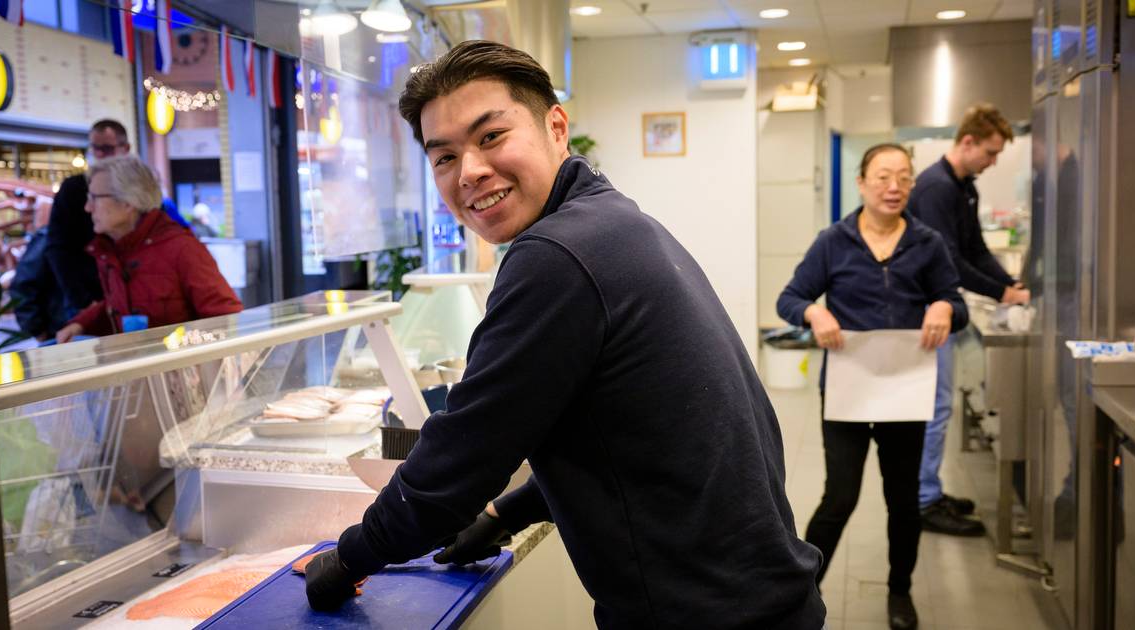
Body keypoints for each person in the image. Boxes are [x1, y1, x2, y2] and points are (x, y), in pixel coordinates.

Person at [304, 40, 826, 629]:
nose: (469, 170)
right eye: (443, 156)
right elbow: (631, 434)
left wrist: (345, 561)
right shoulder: (615, 221)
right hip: (766, 600)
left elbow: (452, 467)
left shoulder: (554, 256)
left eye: (491, 136)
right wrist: (506, 512)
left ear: (556, 127)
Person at [777, 143, 968, 630]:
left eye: (904, 177)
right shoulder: (834, 241)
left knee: (902, 499)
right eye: (883, 176)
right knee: (839, 496)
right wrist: (813, 311)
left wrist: (946, 307)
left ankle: (900, 591)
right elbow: (790, 297)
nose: (894, 186)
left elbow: (952, 300)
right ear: (861, 183)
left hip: (906, 391)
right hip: (848, 390)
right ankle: (803, 592)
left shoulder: (927, 243)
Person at [907, 103, 1027, 537]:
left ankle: (928, 489)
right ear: (968, 141)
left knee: (941, 406)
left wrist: (1011, 284)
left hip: (943, 307)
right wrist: (1002, 293)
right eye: (990, 153)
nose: (993, 163)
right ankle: (922, 500)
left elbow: (975, 248)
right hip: (926, 312)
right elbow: (951, 262)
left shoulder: (964, 187)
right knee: (935, 409)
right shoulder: (936, 188)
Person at [54, 156, 241, 342]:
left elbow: (226, 319)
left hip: (179, 369)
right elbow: (117, 305)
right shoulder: (110, 251)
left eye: (95, 198)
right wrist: (81, 324)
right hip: (138, 368)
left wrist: (176, 348)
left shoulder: (182, 249)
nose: (88, 207)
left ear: (128, 202)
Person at [46, 120, 192, 330]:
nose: (89, 207)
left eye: (106, 148)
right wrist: (83, 306)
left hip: (139, 300)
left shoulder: (174, 242)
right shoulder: (74, 191)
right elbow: (59, 249)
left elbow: (220, 312)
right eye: (95, 148)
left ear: (128, 203)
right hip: (96, 296)